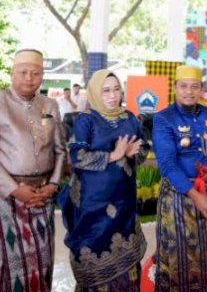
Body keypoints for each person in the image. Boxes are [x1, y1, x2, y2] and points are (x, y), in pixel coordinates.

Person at [0, 49, 67, 291]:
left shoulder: (49, 104)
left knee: (38, 266)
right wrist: (14, 190)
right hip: (3, 200)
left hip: (41, 199)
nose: (29, 78)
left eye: (36, 73)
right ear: (12, 73)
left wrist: (52, 186)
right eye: (23, 72)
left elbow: (61, 151)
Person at [57, 69, 148, 291]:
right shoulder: (86, 120)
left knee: (127, 266)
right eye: (105, 90)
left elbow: (142, 149)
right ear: (95, 92)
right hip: (92, 205)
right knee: (93, 251)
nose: (112, 95)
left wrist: (132, 154)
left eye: (116, 89)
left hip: (123, 202)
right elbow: (77, 157)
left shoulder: (129, 118)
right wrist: (112, 155)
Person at [152, 65, 207, 291]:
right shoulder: (163, 119)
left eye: (194, 86)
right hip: (178, 199)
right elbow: (167, 165)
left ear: (202, 89)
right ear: (175, 88)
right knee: (180, 262)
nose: (189, 91)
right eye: (183, 86)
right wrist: (194, 194)